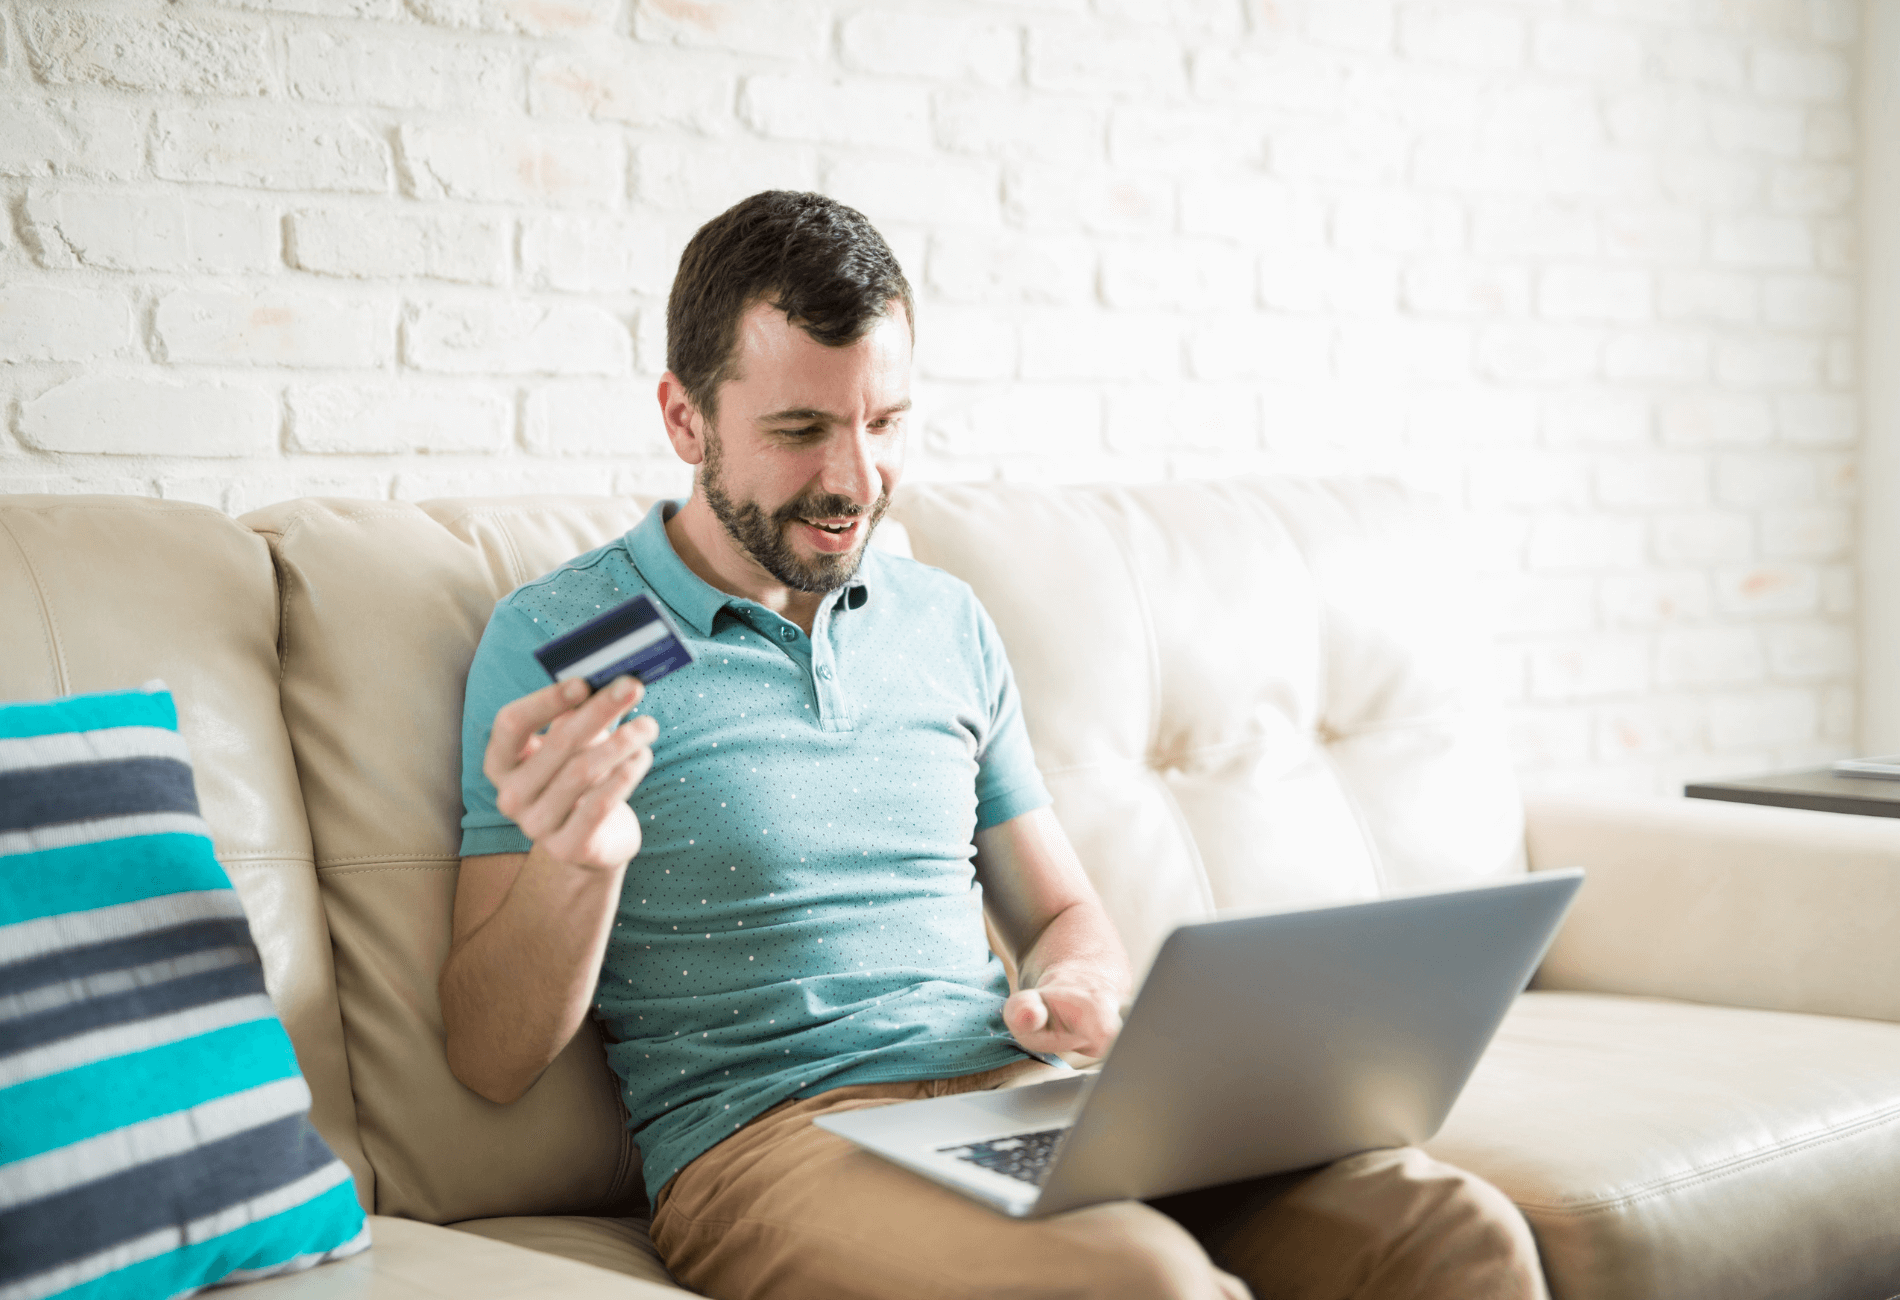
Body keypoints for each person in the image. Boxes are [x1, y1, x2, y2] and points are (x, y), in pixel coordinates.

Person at [440, 190, 1547, 1300]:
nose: (854, 481)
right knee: (1140, 1281)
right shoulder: (572, 641)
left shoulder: (942, 619)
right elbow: (490, 1058)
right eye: (799, 431)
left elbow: (1064, 914)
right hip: (774, 1144)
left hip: (1019, 1102)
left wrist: (1075, 982)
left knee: (1449, 1230)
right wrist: (576, 866)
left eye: (884, 424)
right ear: (685, 419)